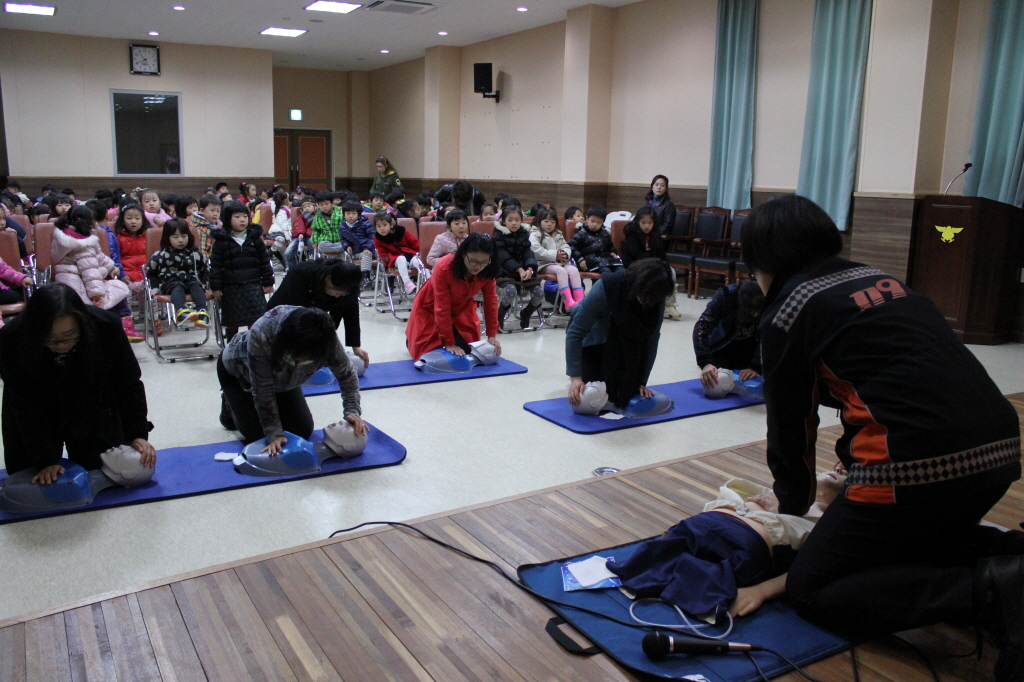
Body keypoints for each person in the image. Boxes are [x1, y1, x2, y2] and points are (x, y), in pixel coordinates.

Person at [742, 194, 1023, 682]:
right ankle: (1010, 553)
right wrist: (851, 472)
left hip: (916, 466)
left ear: (764, 260)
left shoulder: (788, 311)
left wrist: (792, 506)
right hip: (1000, 448)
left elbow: (791, 425)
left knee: (812, 589)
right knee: (910, 545)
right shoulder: (882, 280)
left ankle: (989, 593)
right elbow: (892, 385)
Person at [610, 471, 847, 620]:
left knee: (704, 577)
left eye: (847, 473)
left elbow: (809, 570)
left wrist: (761, 591)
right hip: (702, 525)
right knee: (656, 557)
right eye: (837, 466)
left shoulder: (831, 522)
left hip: (742, 546)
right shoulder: (780, 494)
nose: (839, 469)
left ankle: (691, 584)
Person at [0, 284, 156, 483]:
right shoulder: (12, 337)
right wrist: (44, 460)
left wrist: (136, 434)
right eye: (50, 339)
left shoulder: (105, 326)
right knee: (30, 477)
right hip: (36, 404)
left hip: (89, 399)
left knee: (110, 468)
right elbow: (24, 402)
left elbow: (128, 384)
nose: (61, 345)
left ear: (81, 322)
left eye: (69, 336)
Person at [217, 305, 368, 447]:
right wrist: (274, 432)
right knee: (259, 437)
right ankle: (229, 404)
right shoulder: (263, 333)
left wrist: (352, 411)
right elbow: (263, 388)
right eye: (297, 358)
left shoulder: (324, 336)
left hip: (285, 381)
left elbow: (347, 374)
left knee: (301, 431)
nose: (301, 362)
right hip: (240, 375)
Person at [565, 258, 675, 409]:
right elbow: (575, 333)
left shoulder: (656, 296)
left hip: (625, 342)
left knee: (626, 391)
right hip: (594, 340)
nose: (649, 302)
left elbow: (652, 339)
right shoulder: (608, 286)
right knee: (594, 395)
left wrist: (641, 382)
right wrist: (576, 378)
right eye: (646, 297)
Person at [406, 233, 501, 361]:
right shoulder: (444, 267)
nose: (478, 267)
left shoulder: (488, 269)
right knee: (428, 353)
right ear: (463, 254)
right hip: (430, 308)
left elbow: (491, 302)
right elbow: (441, 307)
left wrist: (491, 335)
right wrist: (449, 343)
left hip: (461, 308)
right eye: (473, 261)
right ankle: (411, 339)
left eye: (484, 262)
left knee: (466, 351)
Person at [267, 260, 369, 368]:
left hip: (313, 311)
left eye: (343, 294)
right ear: (328, 279)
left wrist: (355, 346)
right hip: (281, 315)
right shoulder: (300, 274)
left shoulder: (348, 279)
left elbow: (351, 314)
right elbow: (298, 316)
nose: (338, 296)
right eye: (337, 292)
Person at [209, 200, 275, 341]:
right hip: (231, 287)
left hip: (253, 284)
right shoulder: (221, 241)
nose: (242, 220)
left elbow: (264, 262)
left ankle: (255, 345)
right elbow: (215, 265)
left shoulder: (255, 239)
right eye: (237, 217)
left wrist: (268, 282)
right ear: (227, 219)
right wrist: (216, 287)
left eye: (245, 216)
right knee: (232, 321)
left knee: (256, 320)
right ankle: (231, 346)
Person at [52, 206, 131, 315]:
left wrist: (112, 267)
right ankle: (123, 320)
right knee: (118, 289)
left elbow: (99, 256)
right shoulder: (82, 243)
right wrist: (96, 294)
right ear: (90, 223)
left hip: (68, 280)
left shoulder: (64, 234)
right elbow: (89, 271)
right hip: (79, 286)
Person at [694, 280, 763, 391]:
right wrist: (705, 362)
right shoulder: (726, 294)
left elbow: (768, 336)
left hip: (752, 344)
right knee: (719, 381)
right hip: (723, 344)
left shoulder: (770, 295)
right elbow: (701, 327)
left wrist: (755, 366)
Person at [146, 219, 210, 329]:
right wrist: (154, 288)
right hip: (170, 284)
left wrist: (203, 284)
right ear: (167, 238)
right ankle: (181, 312)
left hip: (190, 281)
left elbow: (204, 269)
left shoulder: (194, 253)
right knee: (177, 285)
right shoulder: (160, 255)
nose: (181, 240)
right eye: (175, 237)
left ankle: (202, 312)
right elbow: (152, 272)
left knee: (195, 285)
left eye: (184, 236)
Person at [621, 205, 682, 320]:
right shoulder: (632, 232)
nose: (647, 226)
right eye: (643, 223)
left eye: (650, 223)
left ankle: (669, 304)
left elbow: (660, 252)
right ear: (638, 222)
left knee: (671, 272)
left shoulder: (655, 233)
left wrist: (665, 265)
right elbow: (635, 252)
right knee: (650, 274)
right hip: (636, 263)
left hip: (653, 263)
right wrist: (653, 263)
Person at [492, 205, 543, 330]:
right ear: (504, 221)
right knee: (510, 291)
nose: (514, 223)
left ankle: (526, 313)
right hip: (505, 273)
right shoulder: (498, 234)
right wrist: (519, 269)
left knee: (539, 292)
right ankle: (500, 315)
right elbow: (503, 256)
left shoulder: (523, 233)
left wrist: (530, 268)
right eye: (510, 220)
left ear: (521, 220)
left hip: (523, 272)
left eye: (517, 219)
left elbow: (528, 253)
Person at [530, 207, 583, 311]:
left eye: (552, 222)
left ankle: (580, 300)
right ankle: (567, 301)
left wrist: (565, 254)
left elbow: (566, 246)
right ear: (539, 221)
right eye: (546, 221)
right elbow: (536, 251)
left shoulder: (558, 234)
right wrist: (555, 255)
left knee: (574, 270)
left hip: (559, 262)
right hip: (543, 264)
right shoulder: (535, 234)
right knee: (561, 271)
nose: (549, 224)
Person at [373, 211, 421, 295]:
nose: (382, 228)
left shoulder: (401, 231)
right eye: (378, 226)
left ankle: (429, 281)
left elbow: (415, 243)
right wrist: (388, 264)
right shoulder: (378, 239)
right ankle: (407, 283)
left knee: (418, 261)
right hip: (395, 259)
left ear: (391, 224)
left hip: (409, 255)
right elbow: (383, 255)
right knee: (401, 259)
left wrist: (422, 253)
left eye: (384, 225)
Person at [568, 205, 621, 276]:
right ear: (587, 218)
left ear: (603, 222)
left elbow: (610, 246)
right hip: (591, 262)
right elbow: (571, 247)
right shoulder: (582, 233)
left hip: (607, 260)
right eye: (592, 221)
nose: (595, 225)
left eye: (599, 222)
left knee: (622, 271)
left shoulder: (605, 234)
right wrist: (580, 259)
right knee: (607, 273)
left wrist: (613, 251)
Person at [338, 199, 375, 282]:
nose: (351, 216)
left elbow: (372, 237)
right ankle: (349, 278)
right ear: (344, 214)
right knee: (344, 256)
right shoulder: (342, 227)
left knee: (367, 254)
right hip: (353, 252)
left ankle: (365, 276)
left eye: (354, 213)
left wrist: (367, 248)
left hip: (366, 250)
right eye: (348, 213)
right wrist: (347, 246)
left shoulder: (366, 224)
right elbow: (343, 239)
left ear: (359, 215)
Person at [310, 191, 345, 257]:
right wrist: (314, 241)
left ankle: (340, 250)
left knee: (346, 245)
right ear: (318, 205)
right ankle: (340, 251)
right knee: (321, 245)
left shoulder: (341, 213)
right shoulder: (317, 216)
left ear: (332, 203)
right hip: (326, 241)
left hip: (339, 240)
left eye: (326, 204)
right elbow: (315, 230)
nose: (324, 206)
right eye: (321, 205)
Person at [190, 193, 222, 259]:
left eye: (218, 211)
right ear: (202, 210)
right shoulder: (199, 229)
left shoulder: (219, 226)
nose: (215, 214)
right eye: (212, 210)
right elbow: (202, 252)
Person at [286, 199, 315, 271]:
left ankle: (313, 267)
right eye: (305, 207)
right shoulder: (300, 217)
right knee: (288, 252)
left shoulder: (318, 217)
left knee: (313, 251)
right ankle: (293, 270)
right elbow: (299, 225)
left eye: (309, 206)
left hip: (312, 237)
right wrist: (300, 233)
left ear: (315, 207)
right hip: (299, 237)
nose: (307, 208)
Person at [266, 190, 292, 269]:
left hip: (283, 231)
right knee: (280, 240)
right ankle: (270, 252)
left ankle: (285, 262)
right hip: (278, 231)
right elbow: (283, 224)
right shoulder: (281, 211)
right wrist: (288, 237)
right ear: (285, 200)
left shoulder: (284, 209)